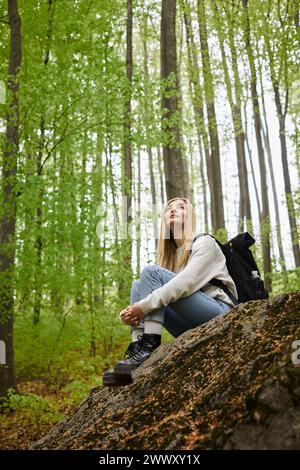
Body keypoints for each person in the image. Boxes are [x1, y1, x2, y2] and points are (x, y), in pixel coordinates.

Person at [103, 197, 238, 386]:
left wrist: (142, 306)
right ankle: (137, 350)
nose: (173, 210)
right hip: (190, 324)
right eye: (168, 209)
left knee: (150, 273)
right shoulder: (171, 257)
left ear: (190, 216)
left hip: (219, 313)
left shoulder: (204, 242)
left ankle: (149, 346)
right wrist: (130, 312)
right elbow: (157, 294)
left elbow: (185, 284)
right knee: (137, 284)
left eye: (181, 207)